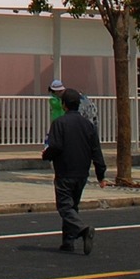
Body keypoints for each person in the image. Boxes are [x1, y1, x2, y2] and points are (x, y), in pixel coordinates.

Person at [42, 87, 108, 254]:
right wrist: (101, 175)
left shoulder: (59, 124)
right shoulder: (88, 126)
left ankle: (83, 229)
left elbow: (55, 146)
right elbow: (96, 151)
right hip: (82, 173)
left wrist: (46, 155)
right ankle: (68, 241)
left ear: (64, 105)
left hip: (65, 171)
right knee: (73, 206)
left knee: (64, 206)